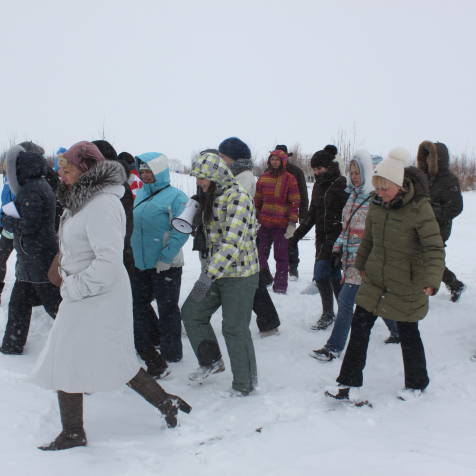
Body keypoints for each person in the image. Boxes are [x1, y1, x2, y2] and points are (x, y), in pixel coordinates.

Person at [30, 141, 191, 451]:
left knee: (89, 357)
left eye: (67, 169)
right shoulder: (82, 201)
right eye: (60, 169)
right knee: (92, 357)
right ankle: (161, 403)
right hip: (83, 291)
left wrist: (74, 287)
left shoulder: (103, 204)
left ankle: (76, 431)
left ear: (85, 169)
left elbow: (108, 261)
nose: (60, 175)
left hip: (97, 293)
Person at [326, 148, 445, 401]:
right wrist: (358, 265)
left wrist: (431, 280)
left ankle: (417, 384)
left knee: (409, 333)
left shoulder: (419, 208)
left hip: (406, 281)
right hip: (375, 278)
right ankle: (348, 383)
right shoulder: (377, 204)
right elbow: (368, 239)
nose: (379, 193)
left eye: (384, 188)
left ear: (399, 185)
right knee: (359, 328)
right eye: (377, 187)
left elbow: (434, 248)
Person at [181, 152, 259, 395]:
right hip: (214, 272)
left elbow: (231, 244)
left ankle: (245, 384)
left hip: (240, 275)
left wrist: (208, 275)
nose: (199, 183)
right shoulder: (210, 197)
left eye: (203, 178)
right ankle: (211, 361)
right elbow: (211, 238)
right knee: (192, 312)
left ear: (216, 175)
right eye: (198, 178)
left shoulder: (238, 198)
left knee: (234, 327)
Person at [0, 142, 62, 355]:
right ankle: (11, 345)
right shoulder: (39, 185)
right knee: (19, 303)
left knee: (56, 306)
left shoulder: (31, 190)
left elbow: (28, 225)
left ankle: (83, 340)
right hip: (34, 257)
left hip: (37, 257)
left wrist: (6, 221)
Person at [131, 152, 189, 372]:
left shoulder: (176, 196)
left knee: (167, 308)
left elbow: (182, 230)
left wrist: (166, 256)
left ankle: (171, 352)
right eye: (143, 171)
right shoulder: (139, 194)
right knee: (138, 304)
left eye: (149, 171)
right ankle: (150, 341)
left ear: (160, 172)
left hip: (166, 264)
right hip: (140, 262)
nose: (145, 175)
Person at [218, 137, 280, 335]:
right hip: (234, 238)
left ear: (233, 158)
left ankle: (192, 317)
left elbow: (233, 206)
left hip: (238, 238)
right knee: (250, 283)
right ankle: (269, 320)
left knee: (244, 282)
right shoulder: (232, 175)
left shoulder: (242, 177)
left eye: (223, 156)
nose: (220, 160)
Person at [290, 145, 348, 330]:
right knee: (332, 276)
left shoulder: (341, 184)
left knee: (321, 274)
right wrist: (296, 236)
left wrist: (338, 239)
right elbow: (313, 214)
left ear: (329, 166)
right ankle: (338, 313)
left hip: (336, 239)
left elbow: (347, 216)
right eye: (314, 169)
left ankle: (333, 314)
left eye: (319, 168)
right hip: (321, 239)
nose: (316, 172)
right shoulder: (318, 185)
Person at [417, 141, 464, 302]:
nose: (429, 160)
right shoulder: (423, 177)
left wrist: (431, 211)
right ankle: (454, 283)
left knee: (429, 258)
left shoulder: (449, 179)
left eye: (432, 158)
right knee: (422, 257)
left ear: (440, 159)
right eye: (427, 157)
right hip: (421, 226)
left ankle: (451, 284)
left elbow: (456, 207)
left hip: (440, 228)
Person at [255, 149, 300, 294]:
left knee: (281, 256)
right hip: (265, 223)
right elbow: (257, 199)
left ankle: (280, 286)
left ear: (283, 161)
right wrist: (256, 217)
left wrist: (292, 223)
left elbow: (295, 201)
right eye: (272, 159)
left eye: (277, 159)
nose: (274, 162)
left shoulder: (289, 178)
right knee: (259, 254)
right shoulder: (263, 178)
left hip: (282, 224)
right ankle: (266, 278)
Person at [92, 140, 135, 277]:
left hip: (113, 261)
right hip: (104, 260)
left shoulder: (118, 187)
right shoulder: (100, 185)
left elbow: (122, 231)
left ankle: (200, 298)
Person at [275, 145, 309, 280]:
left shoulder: (296, 171)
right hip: (273, 215)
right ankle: (276, 270)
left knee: (291, 241)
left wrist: (304, 215)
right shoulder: (269, 171)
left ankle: (293, 269)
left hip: (290, 214)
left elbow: (303, 194)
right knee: (275, 243)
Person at [0, 167, 15, 304]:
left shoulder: (26, 182)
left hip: (24, 232)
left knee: (25, 265)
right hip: (7, 230)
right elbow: (4, 204)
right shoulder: (7, 182)